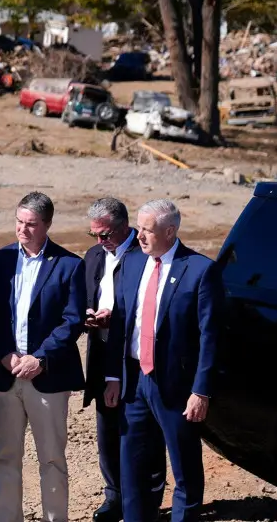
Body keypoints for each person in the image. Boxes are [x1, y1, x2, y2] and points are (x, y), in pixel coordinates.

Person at [104, 200, 223, 522]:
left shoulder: (199, 270)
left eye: (147, 230)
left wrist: (201, 391)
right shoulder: (131, 263)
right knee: (132, 465)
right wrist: (112, 376)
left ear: (170, 231)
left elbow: (210, 337)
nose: (139, 236)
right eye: (138, 228)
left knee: (184, 466)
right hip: (133, 381)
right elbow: (121, 323)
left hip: (176, 386)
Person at [0, 192, 86, 522]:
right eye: (19, 222)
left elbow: (72, 319)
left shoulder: (69, 265)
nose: (22, 230)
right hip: (5, 373)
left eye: (31, 224)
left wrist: (40, 358)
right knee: (5, 456)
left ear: (47, 225)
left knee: (51, 458)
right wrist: (4, 355)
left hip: (47, 377)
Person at [83, 199, 164, 522]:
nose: (101, 242)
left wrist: (114, 318)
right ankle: (114, 496)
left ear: (123, 227)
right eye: (95, 236)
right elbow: (82, 297)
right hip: (103, 353)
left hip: (136, 357)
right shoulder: (93, 256)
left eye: (105, 235)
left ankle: (150, 502)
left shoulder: (144, 257)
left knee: (146, 432)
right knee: (108, 430)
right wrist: (87, 316)